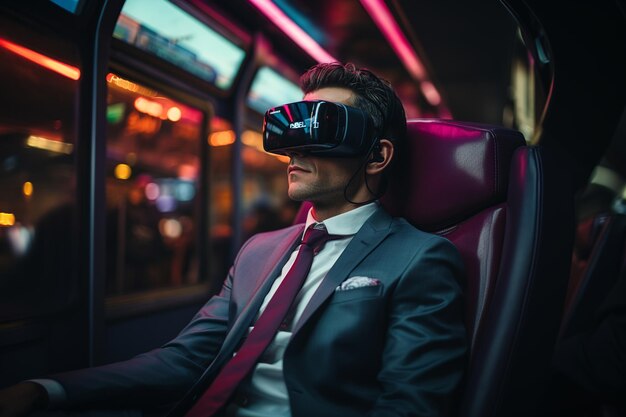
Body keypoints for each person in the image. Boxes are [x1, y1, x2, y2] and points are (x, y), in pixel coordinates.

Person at [0, 62, 467, 417]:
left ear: (377, 156)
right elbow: (185, 360)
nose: (293, 148)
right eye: (293, 127)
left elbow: (409, 405)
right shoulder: (259, 251)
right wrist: (50, 389)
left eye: (320, 129)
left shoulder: (419, 259)